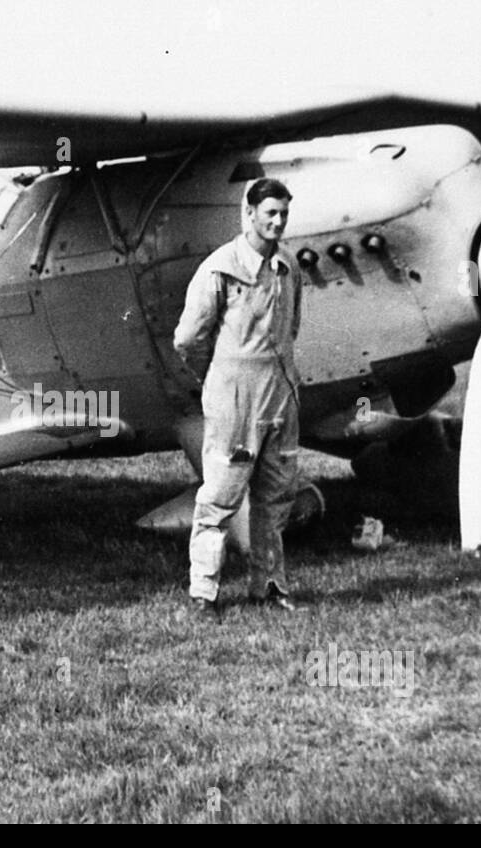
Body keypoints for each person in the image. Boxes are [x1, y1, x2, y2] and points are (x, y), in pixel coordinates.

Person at [173, 178, 303, 618]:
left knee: (276, 497)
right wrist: (217, 378)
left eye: (283, 213)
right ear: (248, 214)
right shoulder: (220, 269)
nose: (278, 221)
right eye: (269, 213)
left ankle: (268, 584)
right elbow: (188, 339)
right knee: (220, 498)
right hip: (235, 400)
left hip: (280, 396)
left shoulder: (288, 268)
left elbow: (291, 327)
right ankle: (203, 594)